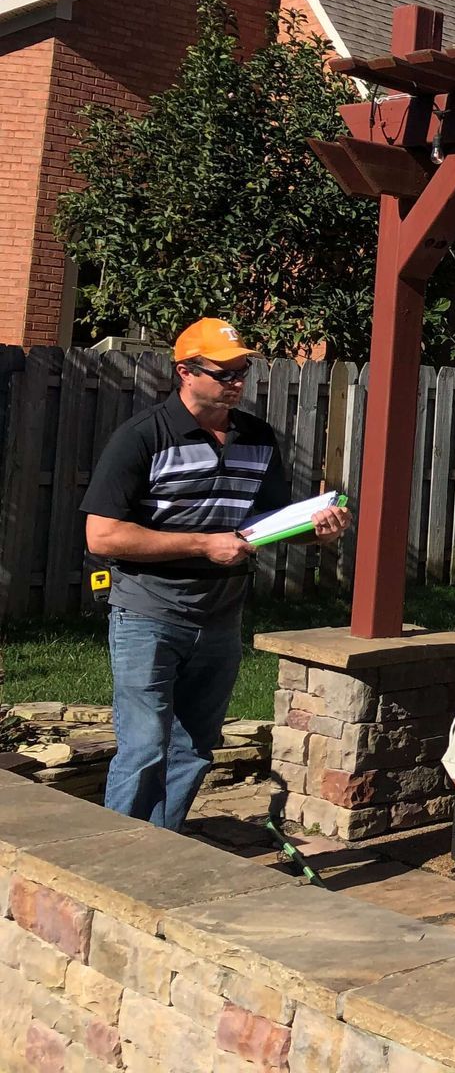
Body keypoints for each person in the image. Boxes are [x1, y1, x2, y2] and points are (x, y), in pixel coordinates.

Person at [81, 318, 350, 829]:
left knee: (195, 747)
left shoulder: (257, 437)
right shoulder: (142, 437)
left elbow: (263, 526)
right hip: (148, 612)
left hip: (222, 615)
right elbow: (103, 536)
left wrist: (313, 530)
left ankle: (164, 845)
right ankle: (116, 859)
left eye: (242, 369)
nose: (236, 381)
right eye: (223, 371)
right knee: (143, 748)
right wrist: (204, 544)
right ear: (184, 372)